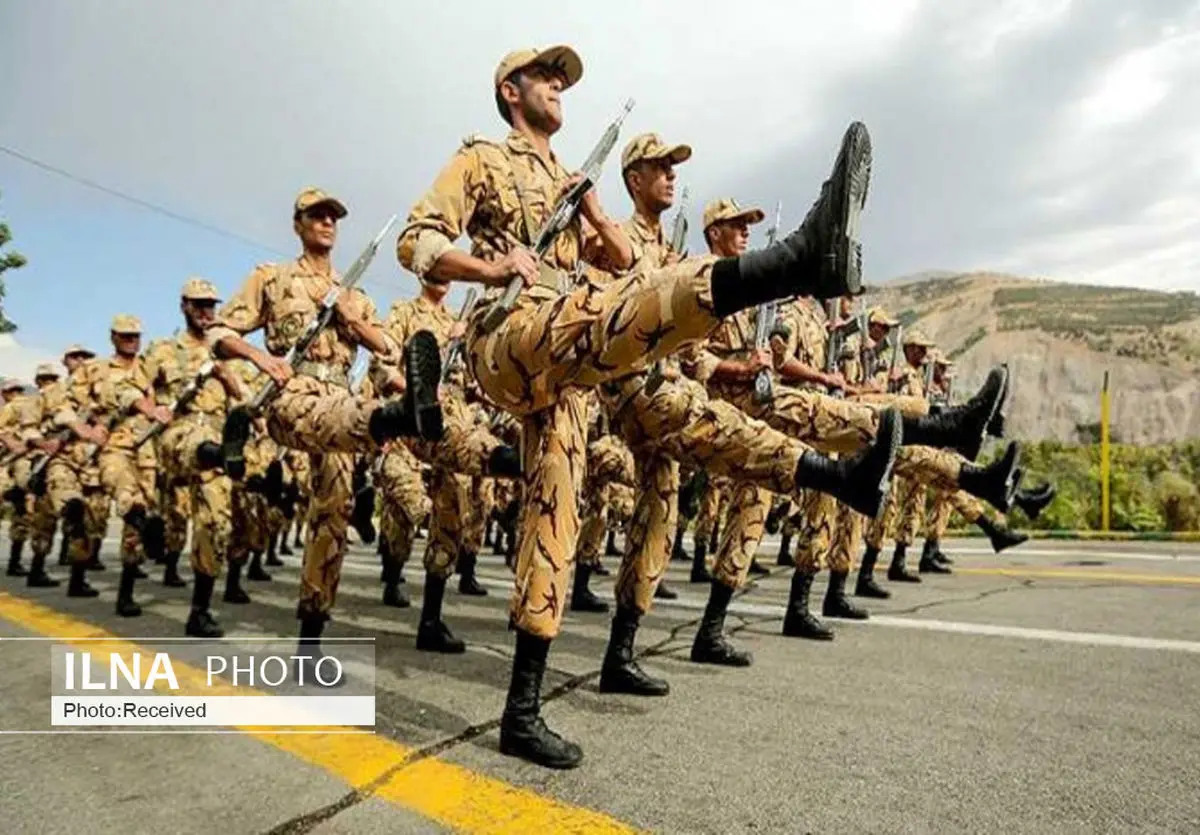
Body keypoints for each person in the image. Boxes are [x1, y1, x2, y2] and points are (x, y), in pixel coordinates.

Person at [398, 43, 884, 769]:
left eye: (564, 79)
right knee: (604, 316)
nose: (559, 86)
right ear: (509, 91)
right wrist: (493, 264)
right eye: (545, 76)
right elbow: (418, 240)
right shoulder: (481, 161)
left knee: (555, 508)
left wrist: (588, 200)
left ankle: (521, 711)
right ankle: (789, 262)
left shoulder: (569, 177)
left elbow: (626, 262)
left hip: (563, 361)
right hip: (506, 333)